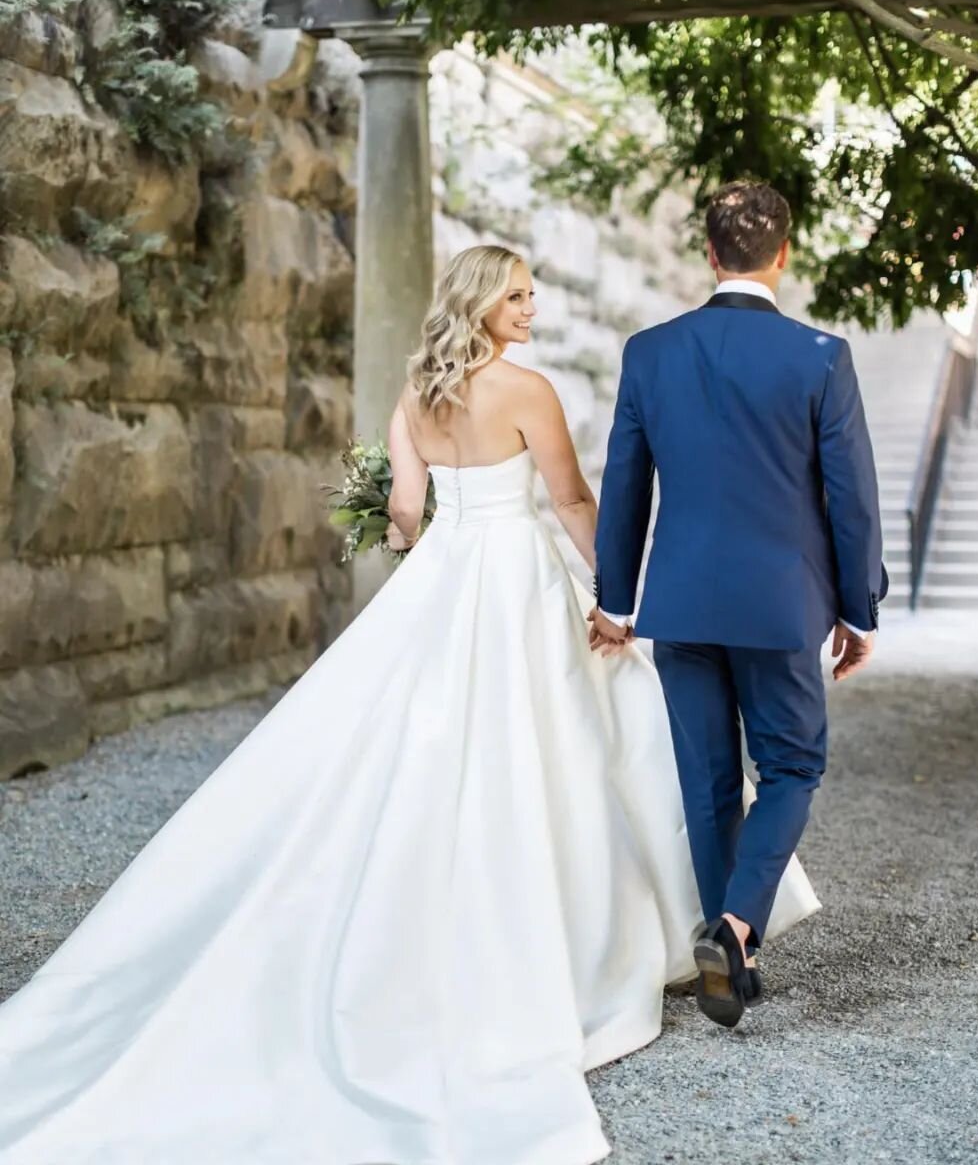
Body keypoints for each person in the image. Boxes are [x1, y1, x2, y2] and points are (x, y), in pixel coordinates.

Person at [0, 243, 819, 1165]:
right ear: (479, 303)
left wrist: (414, 537)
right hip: (517, 583)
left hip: (445, 578)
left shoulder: (418, 394)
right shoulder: (528, 391)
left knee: (425, 742)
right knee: (588, 744)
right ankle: (654, 933)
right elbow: (571, 496)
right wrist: (614, 597)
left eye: (532, 293)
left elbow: (403, 511)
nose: (532, 305)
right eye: (515, 295)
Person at [591, 181, 888, 1029]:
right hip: (781, 605)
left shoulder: (650, 352)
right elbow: (853, 497)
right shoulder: (821, 356)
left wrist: (617, 601)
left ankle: (731, 955)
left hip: (680, 602)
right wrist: (858, 608)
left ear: (710, 254)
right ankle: (733, 928)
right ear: (782, 256)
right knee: (793, 765)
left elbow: (624, 490)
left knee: (708, 780)